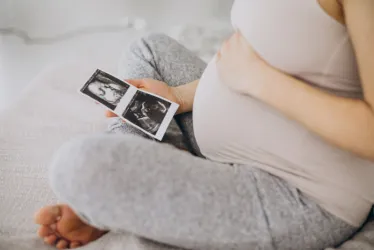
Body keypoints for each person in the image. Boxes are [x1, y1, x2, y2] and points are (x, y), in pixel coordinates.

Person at [34, 0, 374, 249]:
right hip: (244, 132)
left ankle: (127, 199)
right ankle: (136, 199)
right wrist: (178, 96)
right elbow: (273, 52)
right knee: (149, 49)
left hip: (297, 190)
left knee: (79, 167)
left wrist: (260, 81)